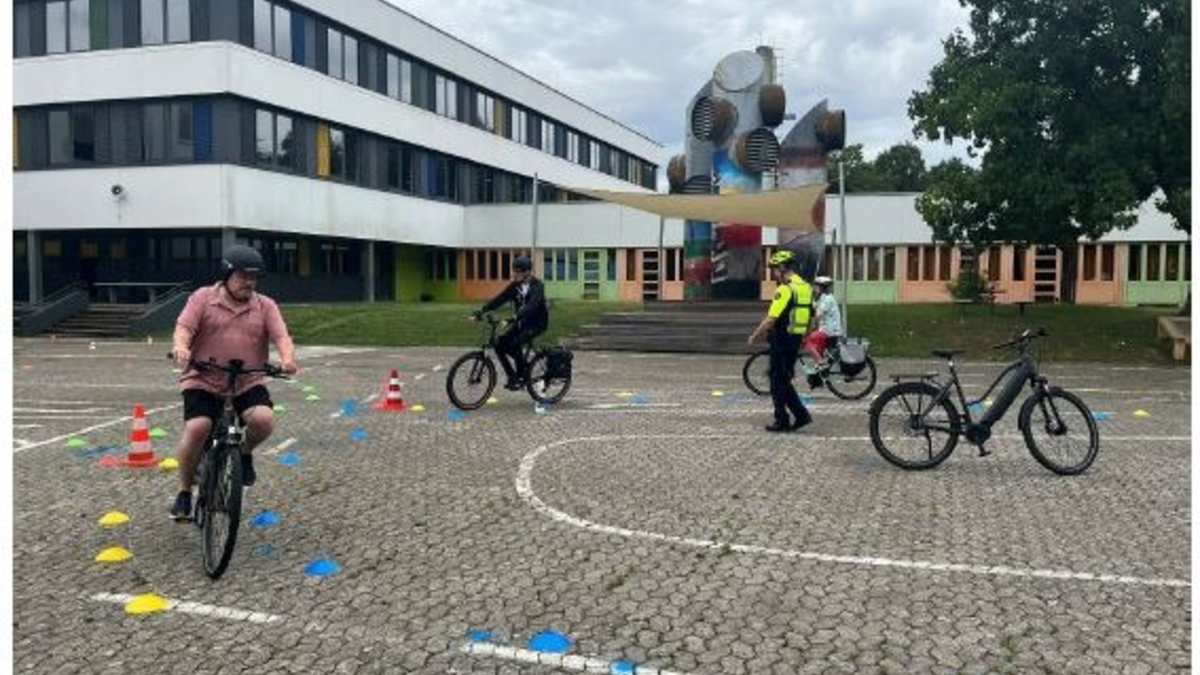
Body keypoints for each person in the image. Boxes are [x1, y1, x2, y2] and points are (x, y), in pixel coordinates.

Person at [168, 244, 298, 520]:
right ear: (227, 275)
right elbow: (184, 328)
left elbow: (282, 336)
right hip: (204, 378)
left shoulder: (265, 305)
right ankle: (183, 492)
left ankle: (244, 452)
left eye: (254, 277)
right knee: (198, 427)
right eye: (242, 277)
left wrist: (287, 358)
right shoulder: (203, 298)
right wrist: (181, 347)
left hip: (247, 380)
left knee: (263, 420)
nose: (249, 283)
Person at [747, 249, 814, 432]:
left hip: (782, 339)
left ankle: (782, 419)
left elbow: (771, 319)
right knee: (783, 379)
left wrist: (755, 335)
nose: (774, 273)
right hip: (795, 340)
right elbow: (811, 316)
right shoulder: (806, 288)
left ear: (783, 268)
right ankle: (801, 416)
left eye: (775, 269)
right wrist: (806, 336)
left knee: (777, 381)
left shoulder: (785, 289)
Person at [474, 254, 548, 390]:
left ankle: (521, 374)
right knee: (498, 344)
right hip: (521, 323)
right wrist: (483, 310)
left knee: (514, 345)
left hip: (536, 324)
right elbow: (500, 298)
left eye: (518, 271)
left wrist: (516, 316)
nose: (515, 274)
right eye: (514, 271)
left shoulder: (538, 286)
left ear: (527, 272)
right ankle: (512, 376)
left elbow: (532, 305)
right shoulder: (515, 286)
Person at [803, 275, 844, 375]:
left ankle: (821, 363)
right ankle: (819, 367)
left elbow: (817, 315)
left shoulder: (828, 299)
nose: (814, 288)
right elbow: (810, 308)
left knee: (806, 341)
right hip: (826, 330)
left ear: (821, 288)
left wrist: (806, 324)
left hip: (830, 332)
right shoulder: (821, 298)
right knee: (816, 346)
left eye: (816, 286)